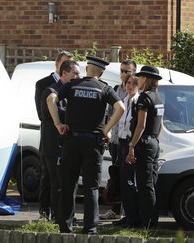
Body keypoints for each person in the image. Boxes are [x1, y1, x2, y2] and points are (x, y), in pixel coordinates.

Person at [47, 56, 125, 234]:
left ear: (88, 68)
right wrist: (106, 129)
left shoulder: (73, 85)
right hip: (93, 143)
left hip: (72, 141)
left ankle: (65, 227)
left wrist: (58, 124)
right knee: (91, 187)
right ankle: (90, 228)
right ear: (101, 72)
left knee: (69, 184)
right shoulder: (104, 88)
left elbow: (51, 98)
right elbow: (121, 108)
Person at [35, 50, 74, 220]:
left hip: (66, 140)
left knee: (60, 179)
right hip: (50, 137)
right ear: (58, 65)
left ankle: (61, 212)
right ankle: (45, 211)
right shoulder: (45, 85)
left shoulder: (71, 85)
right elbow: (41, 113)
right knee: (48, 176)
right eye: (65, 63)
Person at [127, 66, 164, 229]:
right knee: (151, 183)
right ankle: (151, 220)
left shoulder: (143, 98)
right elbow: (160, 126)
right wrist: (153, 140)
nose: (138, 80)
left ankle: (148, 223)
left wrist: (131, 145)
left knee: (144, 185)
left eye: (140, 77)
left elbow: (140, 125)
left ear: (146, 79)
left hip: (144, 144)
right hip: (154, 143)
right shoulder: (158, 98)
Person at [101, 60, 136, 220]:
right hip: (114, 140)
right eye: (122, 71)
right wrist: (107, 132)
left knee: (126, 175)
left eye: (128, 71)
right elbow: (109, 113)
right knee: (116, 175)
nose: (124, 74)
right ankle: (116, 210)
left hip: (127, 141)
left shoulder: (135, 91)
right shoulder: (116, 89)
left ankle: (127, 211)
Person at [116, 75, 140, 227]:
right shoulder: (124, 100)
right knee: (123, 181)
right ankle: (127, 215)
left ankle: (133, 217)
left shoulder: (138, 101)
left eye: (133, 83)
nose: (130, 86)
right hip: (121, 142)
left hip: (131, 143)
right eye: (128, 83)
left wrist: (132, 145)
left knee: (130, 181)